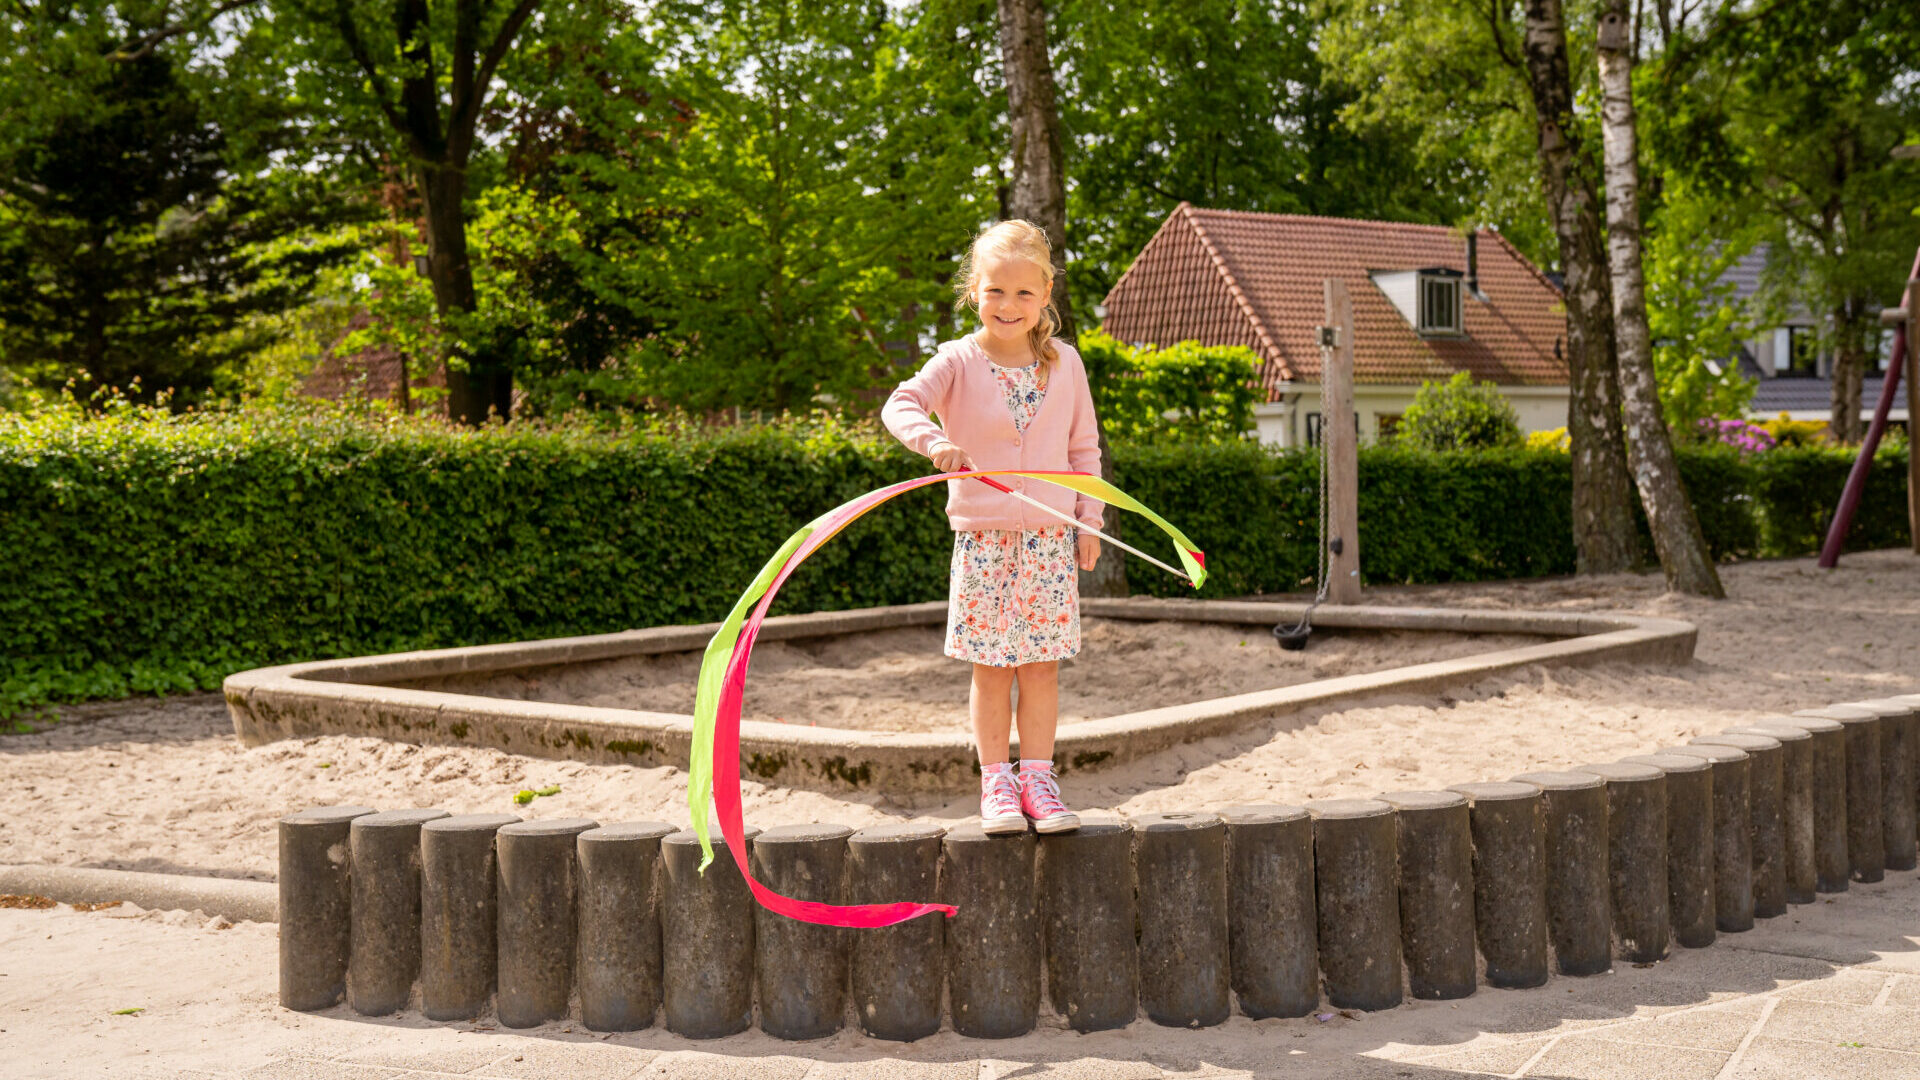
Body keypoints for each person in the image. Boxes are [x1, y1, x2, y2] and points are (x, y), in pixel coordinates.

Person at [882, 220, 1103, 836]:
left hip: (1050, 541)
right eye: (995, 292)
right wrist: (934, 442)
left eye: (1024, 294)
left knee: (1041, 666)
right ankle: (997, 781)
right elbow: (899, 403)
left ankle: (1038, 776)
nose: (1009, 306)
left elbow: (1083, 451)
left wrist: (1090, 519)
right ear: (973, 292)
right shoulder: (956, 359)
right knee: (991, 667)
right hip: (983, 541)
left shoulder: (1067, 365)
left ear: (1046, 294)